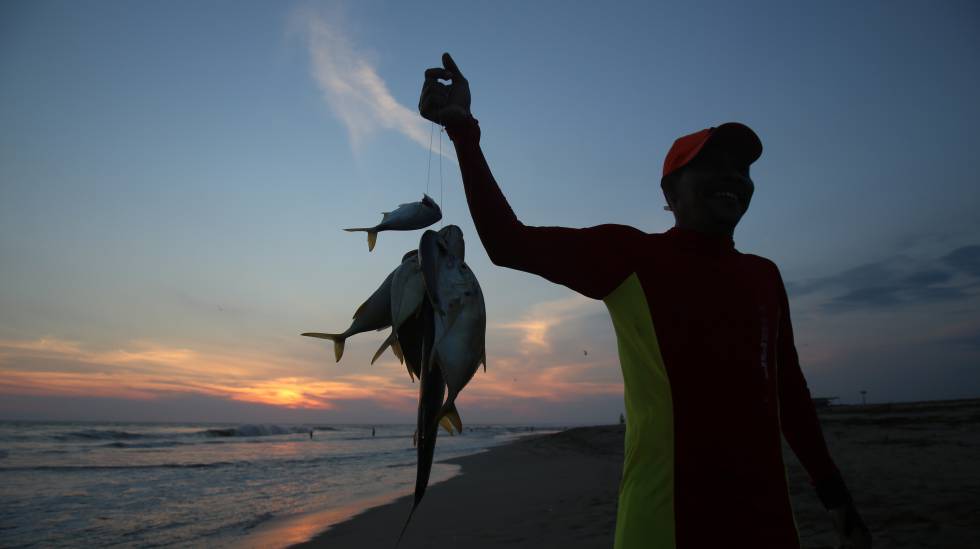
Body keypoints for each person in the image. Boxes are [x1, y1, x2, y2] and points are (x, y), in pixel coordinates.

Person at [419, 53, 871, 549]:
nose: (733, 177)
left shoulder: (764, 277)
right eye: (713, 166)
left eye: (741, 169)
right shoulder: (629, 256)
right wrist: (464, 134)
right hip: (664, 525)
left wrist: (835, 497)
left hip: (769, 527)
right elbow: (508, 243)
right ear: (670, 192)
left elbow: (791, 396)